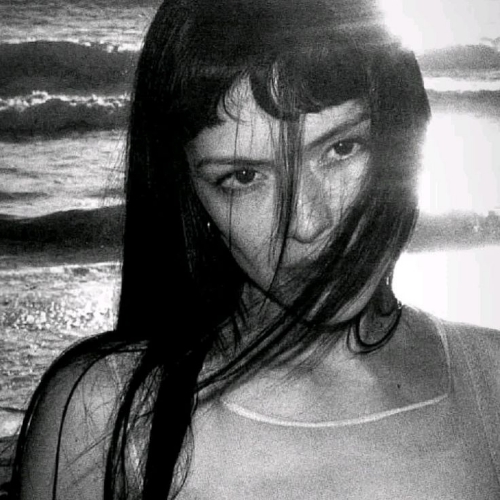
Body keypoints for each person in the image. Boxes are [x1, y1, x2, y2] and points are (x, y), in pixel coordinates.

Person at [10, 0, 500, 498]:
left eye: (341, 148)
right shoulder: (104, 417)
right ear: (189, 194)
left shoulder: (493, 376)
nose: (307, 224)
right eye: (243, 177)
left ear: (405, 136)